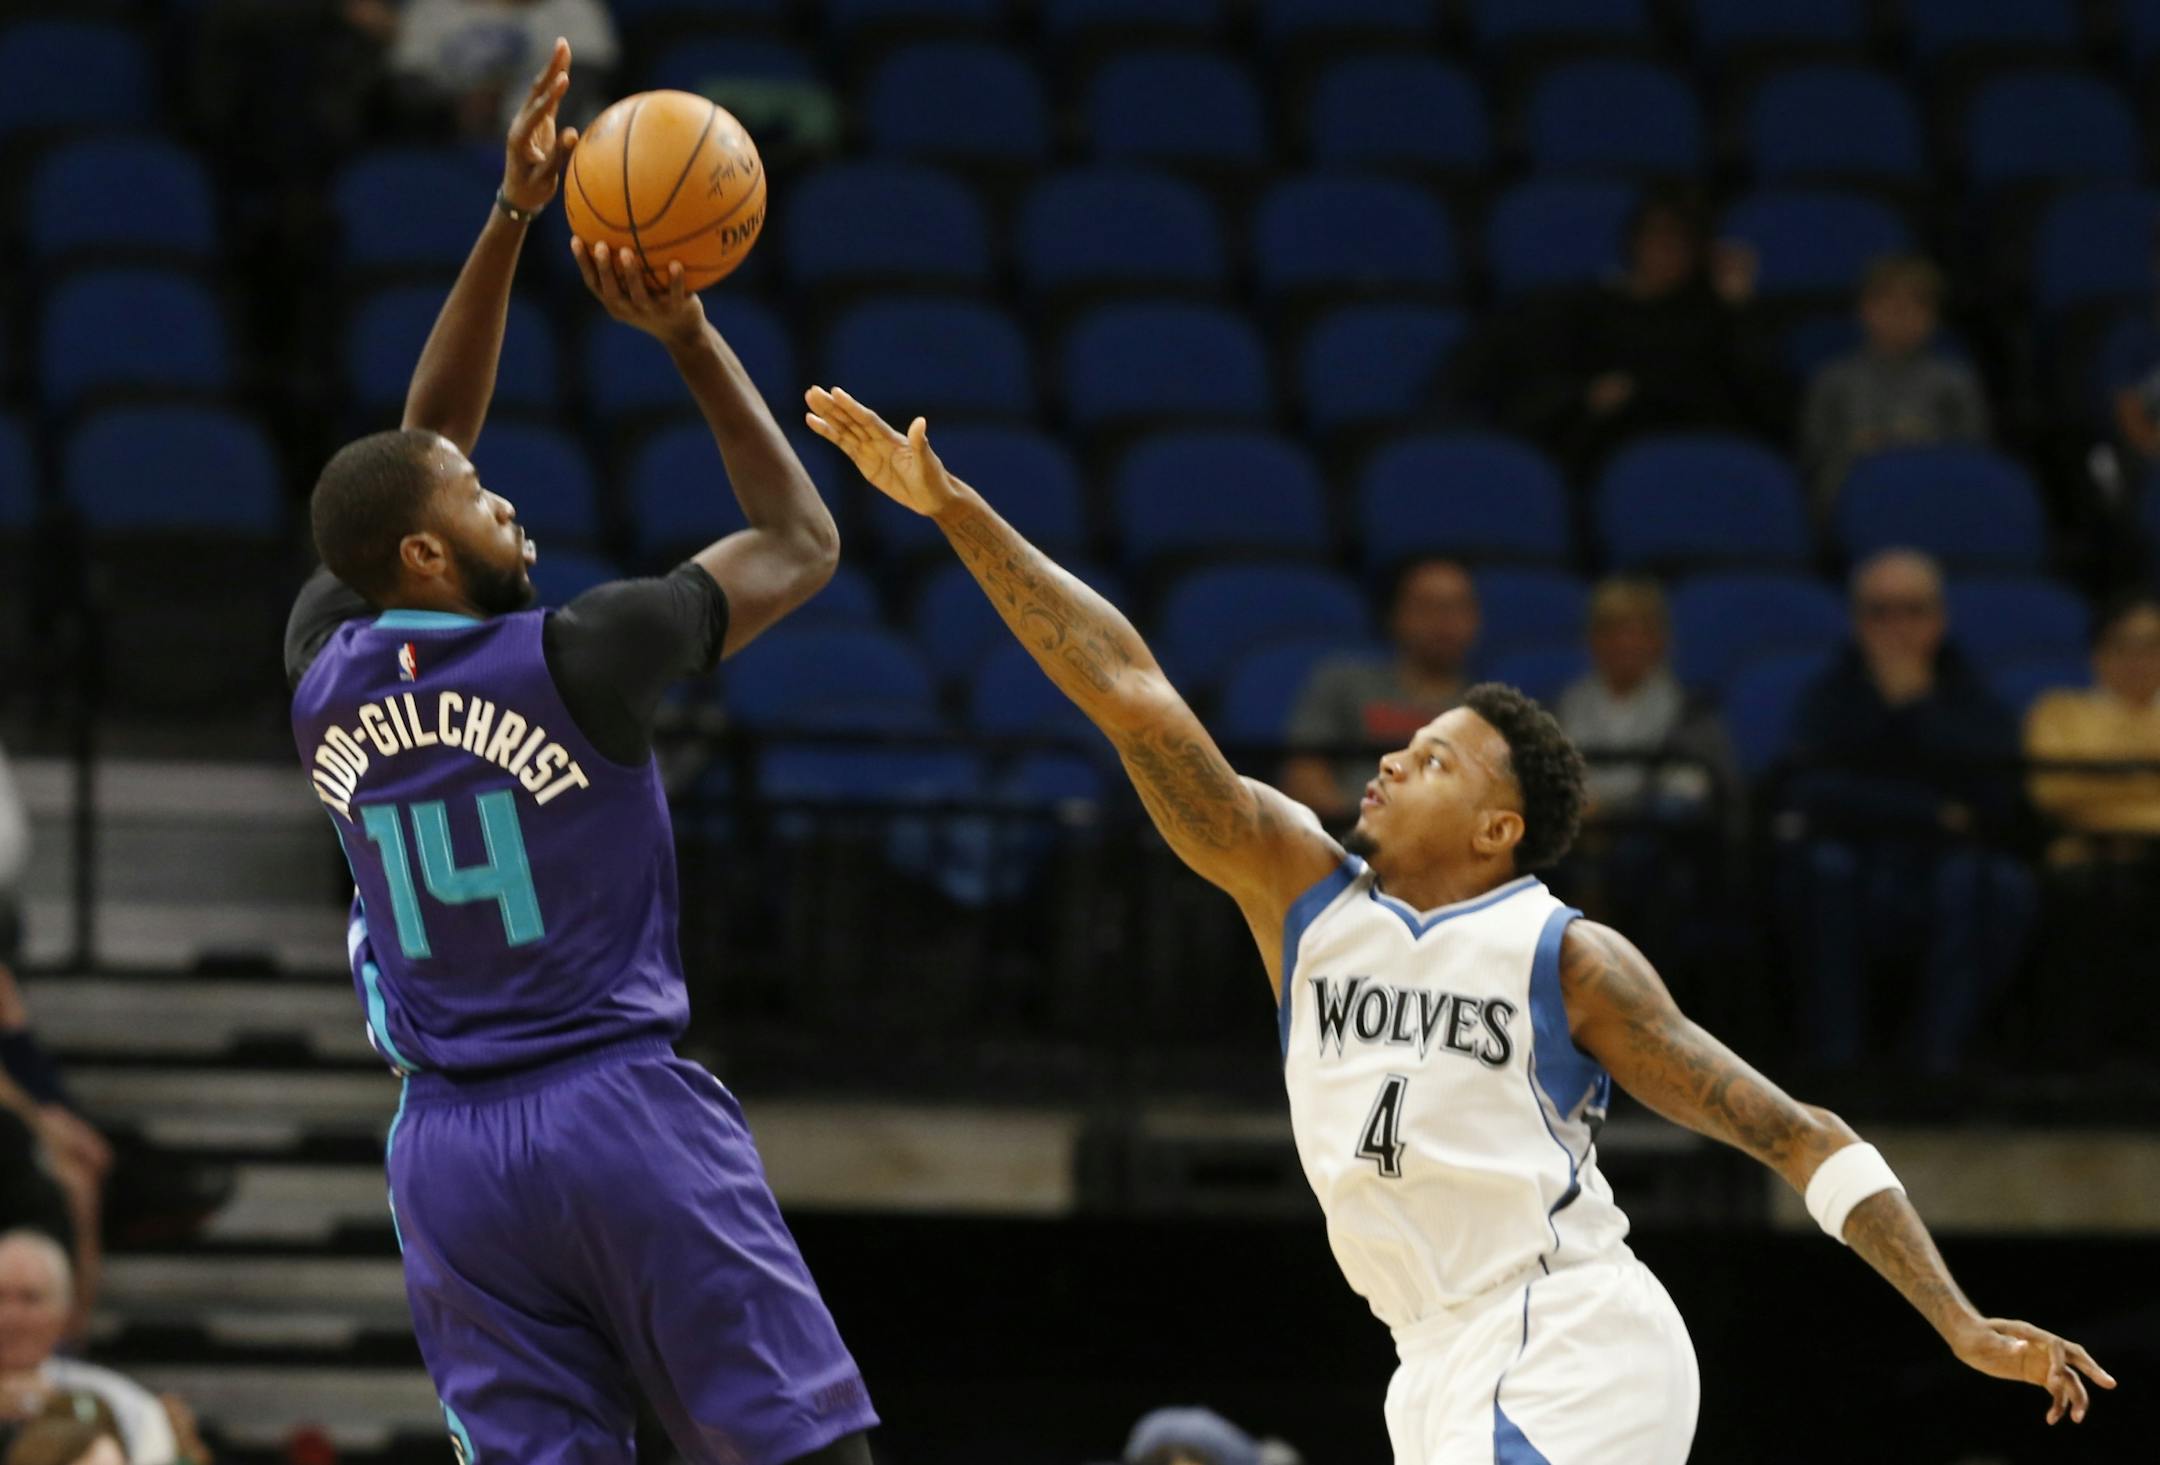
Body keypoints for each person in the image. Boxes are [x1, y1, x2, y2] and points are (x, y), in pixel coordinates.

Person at [806, 388, 2113, 1464]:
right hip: (1428, 1363)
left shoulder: (1565, 957)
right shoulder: (1300, 894)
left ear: (1498, 827)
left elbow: (1796, 1133)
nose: (1389, 758)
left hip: (1571, 1333)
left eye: (1432, 758)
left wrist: (1957, 1320)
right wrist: (957, 511)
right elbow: (1133, 692)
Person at [283, 45, 872, 1465]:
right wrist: (687, 335)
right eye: (481, 501)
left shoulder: (318, 664)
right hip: (615, 1111)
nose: (507, 504)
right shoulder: (584, 651)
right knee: (801, 1445)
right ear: (426, 555)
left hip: (444, 1154)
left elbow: (419, 447)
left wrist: (510, 216)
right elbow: (803, 541)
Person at [1780, 550, 2037, 1075]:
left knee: (1991, 883)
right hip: (1855, 856)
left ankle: (1939, 1060)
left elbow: (1997, 796)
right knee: (1824, 871)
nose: (1897, 627)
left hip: (1948, 863)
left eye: (1913, 610)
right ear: (1857, 622)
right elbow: (1811, 790)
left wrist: (1916, 708)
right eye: (1880, 612)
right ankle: (1838, 1064)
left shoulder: (1971, 695)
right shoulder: (1828, 696)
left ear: (1940, 619)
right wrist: (1933, 812)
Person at [1485, 188, 1780, 476]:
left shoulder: (1718, 318)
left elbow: (1762, 400)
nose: (1664, 251)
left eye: (1679, 241)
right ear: (1634, 240)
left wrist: (1740, 309)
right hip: (1607, 447)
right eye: (1655, 236)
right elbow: (1540, 390)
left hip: (1698, 452)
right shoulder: (1584, 307)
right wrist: (1586, 395)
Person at [2021, 594, 2160, 1068]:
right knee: (2081, 898)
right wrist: (2144, 780)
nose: (2139, 659)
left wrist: (2105, 782)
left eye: (2152, 645)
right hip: (2087, 857)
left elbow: (2082, 789)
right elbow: (2054, 792)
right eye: (2125, 645)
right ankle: (2076, 1068)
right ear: (2098, 654)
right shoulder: (2060, 711)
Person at [1283, 560, 1478, 823]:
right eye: (1427, 606)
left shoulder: (1487, 710)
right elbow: (1303, 778)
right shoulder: (1343, 683)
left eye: (1457, 607)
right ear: (1395, 615)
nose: (1444, 621)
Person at [1800, 255, 1991, 510]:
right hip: (1852, 495)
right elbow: (1813, 453)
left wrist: (1922, 446)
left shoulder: (1954, 380)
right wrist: (1860, 448)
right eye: (1888, 303)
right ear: (1865, 309)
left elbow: (1974, 452)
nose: (1900, 315)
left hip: (1935, 494)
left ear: (1934, 317)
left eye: (1916, 305)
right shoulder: (1833, 379)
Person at [0, 1232, 183, 1464]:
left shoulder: (123, 1404)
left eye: (30, 1298)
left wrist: (60, 1410)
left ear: (65, 1313)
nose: (10, 1317)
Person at [390, 0, 618, 139]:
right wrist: (453, 110)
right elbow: (407, 83)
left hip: (556, 154)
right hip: (448, 147)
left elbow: (582, 82)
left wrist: (513, 116)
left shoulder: (573, 9)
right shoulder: (431, 9)